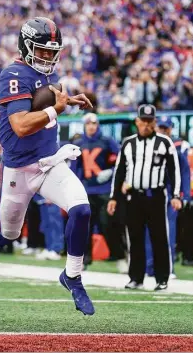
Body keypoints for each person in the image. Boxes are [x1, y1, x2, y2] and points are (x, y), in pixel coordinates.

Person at [0, 17, 95, 316]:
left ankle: (72, 276)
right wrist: (55, 109)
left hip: (49, 162)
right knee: (6, 234)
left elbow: (41, 101)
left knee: (81, 208)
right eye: (42, 51)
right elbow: (21, 125)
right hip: (18, 169)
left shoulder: (41, 73)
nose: (48, 57)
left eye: (52, 52)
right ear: (26, 46)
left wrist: (67, 101)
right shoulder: (12, 73)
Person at [107, 104, 182, 291]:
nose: (146, 125)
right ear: (137, 121)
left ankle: (162, 278)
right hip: (134, 197)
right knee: (135, 238)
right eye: (143, 121)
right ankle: (136, 278)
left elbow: (174, 171)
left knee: (159, 238)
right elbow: (119, 171)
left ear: (154, 122)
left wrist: (175, 195)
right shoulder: (128, 143)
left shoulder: (165, 143)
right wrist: (113, 197)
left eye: (150, 121)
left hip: (156, 195)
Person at [72, 113, 126, 272]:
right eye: (88, 123)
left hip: (104, 190)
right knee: (84, 227)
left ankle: (120, 256)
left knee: (108, 225)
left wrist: (110, 171)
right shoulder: (79, 143)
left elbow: (122, 160)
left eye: (94, 123)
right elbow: (75, 169)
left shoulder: (107, 141)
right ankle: (84, 259)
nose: (91, 126)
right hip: (86, 190)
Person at [148, 117, 190, 273]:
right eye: (161, 127)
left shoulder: (179, 146)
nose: (164, 130)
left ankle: (166, 268)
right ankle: (149, 266)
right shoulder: (147, 143)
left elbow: (185, 172)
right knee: (148, 229)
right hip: (150, 191)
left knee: (168, 230)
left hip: (170, 193)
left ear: (171, 129)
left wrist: (184, 195)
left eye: (167, 128)